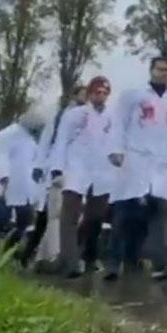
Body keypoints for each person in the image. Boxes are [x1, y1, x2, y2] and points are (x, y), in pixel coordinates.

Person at [102, 56, 167, 281]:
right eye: (160, 69)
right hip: (135, 159)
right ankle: (113, 263)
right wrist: (115, 149)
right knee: (125, 214)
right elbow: (118, 121)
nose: (164, 73)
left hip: (162, 165)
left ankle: (161, 262)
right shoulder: (134, 95)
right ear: (151, 70)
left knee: (161, 211)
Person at [48, 76, 116, 278]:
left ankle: (88, 257)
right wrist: (57, 169)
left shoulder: (112, 117)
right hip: (76, 169)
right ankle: (70, 262)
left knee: (95, 218)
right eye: (97, 92)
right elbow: (61, 141)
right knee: (69, 216)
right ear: (90, 93)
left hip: (102, 172)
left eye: (104, 93)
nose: (100, 96)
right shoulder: (75, 115)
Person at [22, 84, 85, 270]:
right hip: (57, 171)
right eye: (83, 94)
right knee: (48, 217)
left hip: (77, 171)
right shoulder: (60, 117)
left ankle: (50, 257)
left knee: (64, 218)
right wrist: (39, 166)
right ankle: (32, 256)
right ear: (74, 96)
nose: (86, 97)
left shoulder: (88, 117)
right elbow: (46, 142)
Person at [0, 111, 48, 258]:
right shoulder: (7, 134)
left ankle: (10, 255)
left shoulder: (30, 140)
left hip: (22, 190)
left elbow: (32, 164)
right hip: (0, 187)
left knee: (23, 222)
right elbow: (0, 157)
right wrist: (4, 179)